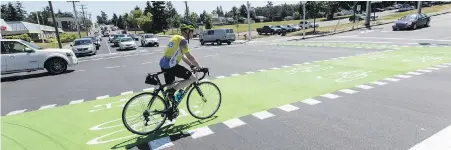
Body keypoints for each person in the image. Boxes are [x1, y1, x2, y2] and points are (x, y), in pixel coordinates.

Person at [159, 29, 202, 102]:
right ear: (187, 32)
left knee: (170, 89)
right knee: (193, 78)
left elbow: (182, 56)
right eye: (192, 32)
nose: (193, 33)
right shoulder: (183, 41)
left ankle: (168, 109)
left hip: (164, 65)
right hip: (171, 66)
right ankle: (172, 90)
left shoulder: (176, 37)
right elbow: (189, 57)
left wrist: (191, 65)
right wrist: (200, 67)